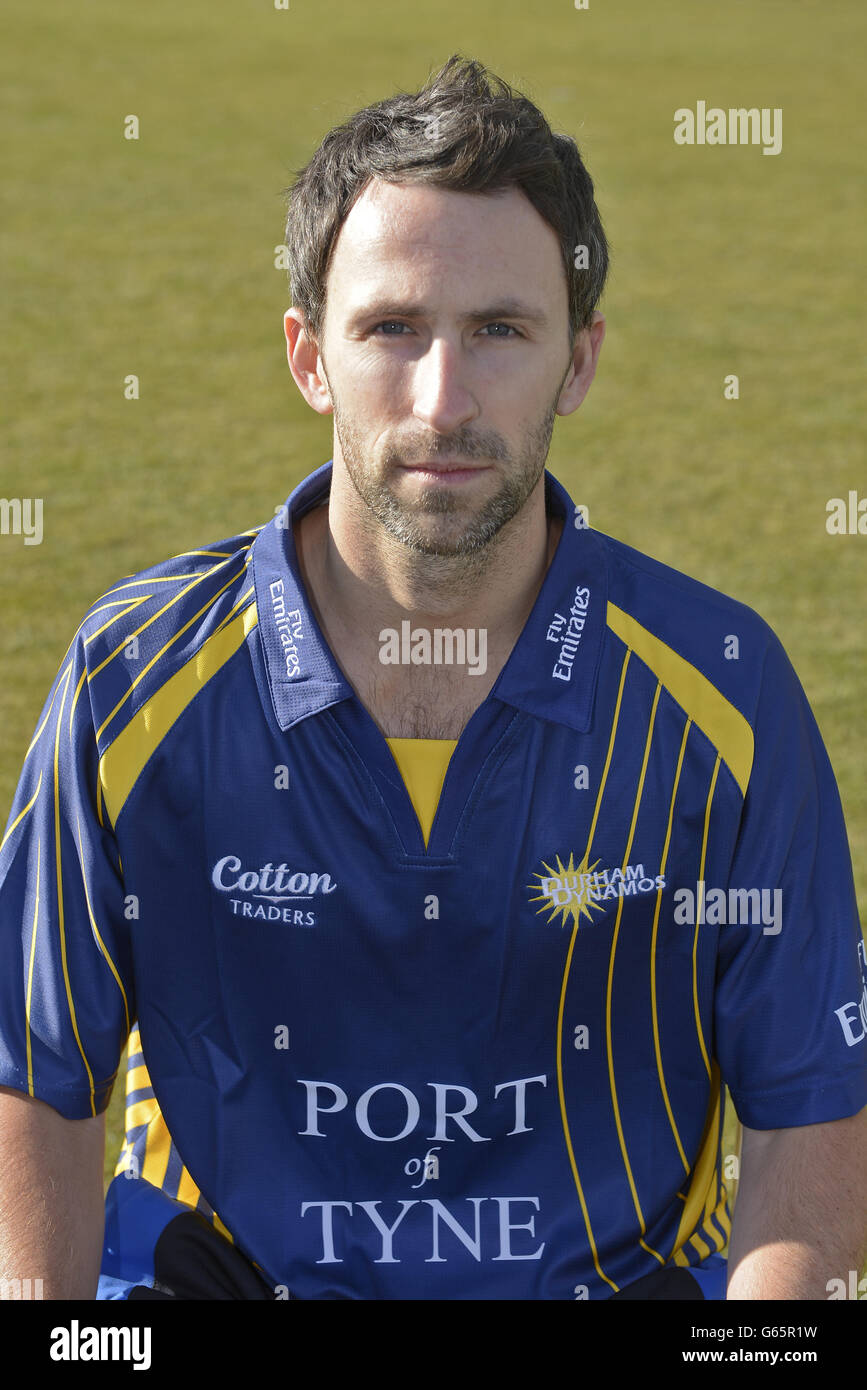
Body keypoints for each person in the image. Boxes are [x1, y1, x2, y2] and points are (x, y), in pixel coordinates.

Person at [1, 55, 865, 1303]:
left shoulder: (721, 697)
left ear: (578, 360)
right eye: (392, 328)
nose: (442, 400)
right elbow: (39, 1067)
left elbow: (812, 1106)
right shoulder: (134, 680)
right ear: (309, 357)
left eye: (500, 331)